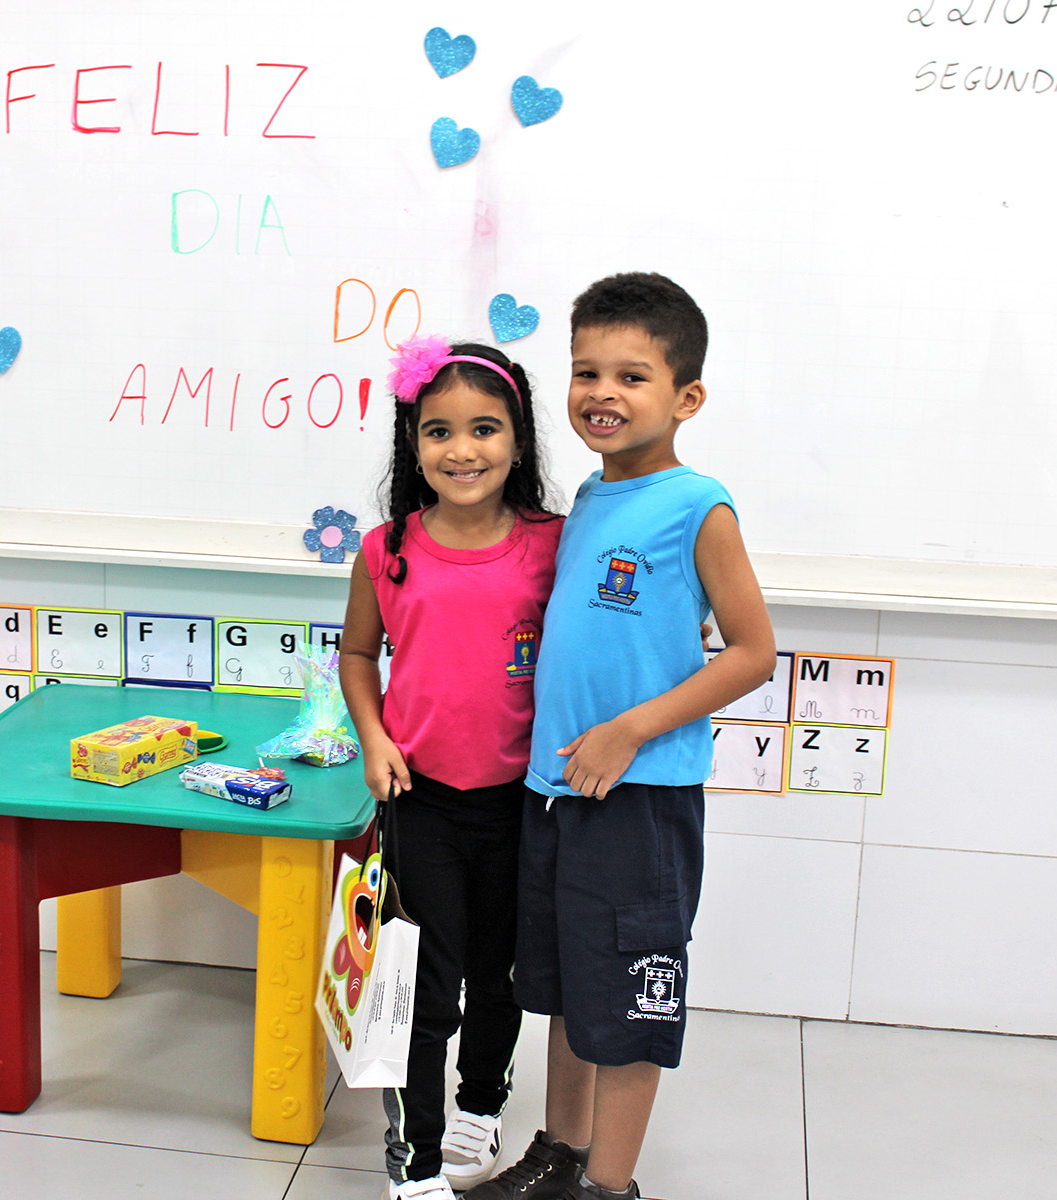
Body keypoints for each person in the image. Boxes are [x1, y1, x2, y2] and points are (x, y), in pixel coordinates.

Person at [468, 273, 777, 1200]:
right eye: (586, 372)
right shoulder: (590, 499)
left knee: (632, 1004)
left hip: (638, 800)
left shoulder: (699, 505)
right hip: (559, 791)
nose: (602, 393)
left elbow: (753, 653)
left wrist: (628, 731)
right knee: (566, 988)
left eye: (632, 377)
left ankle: (609, 1187)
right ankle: (559, 1156)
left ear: (686, 397)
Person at [339, 336, 563, 1200]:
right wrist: (375, 739)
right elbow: (358, 654)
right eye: (439, 431)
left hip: (523, 804)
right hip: (421, 801)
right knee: (423, 990)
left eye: (484, 428)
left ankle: (481, 1105)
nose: (462, 450)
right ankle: (417, 1161)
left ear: (518, 440)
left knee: (499, 977)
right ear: (414, 442)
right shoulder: (386, 548)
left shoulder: (554, 544)